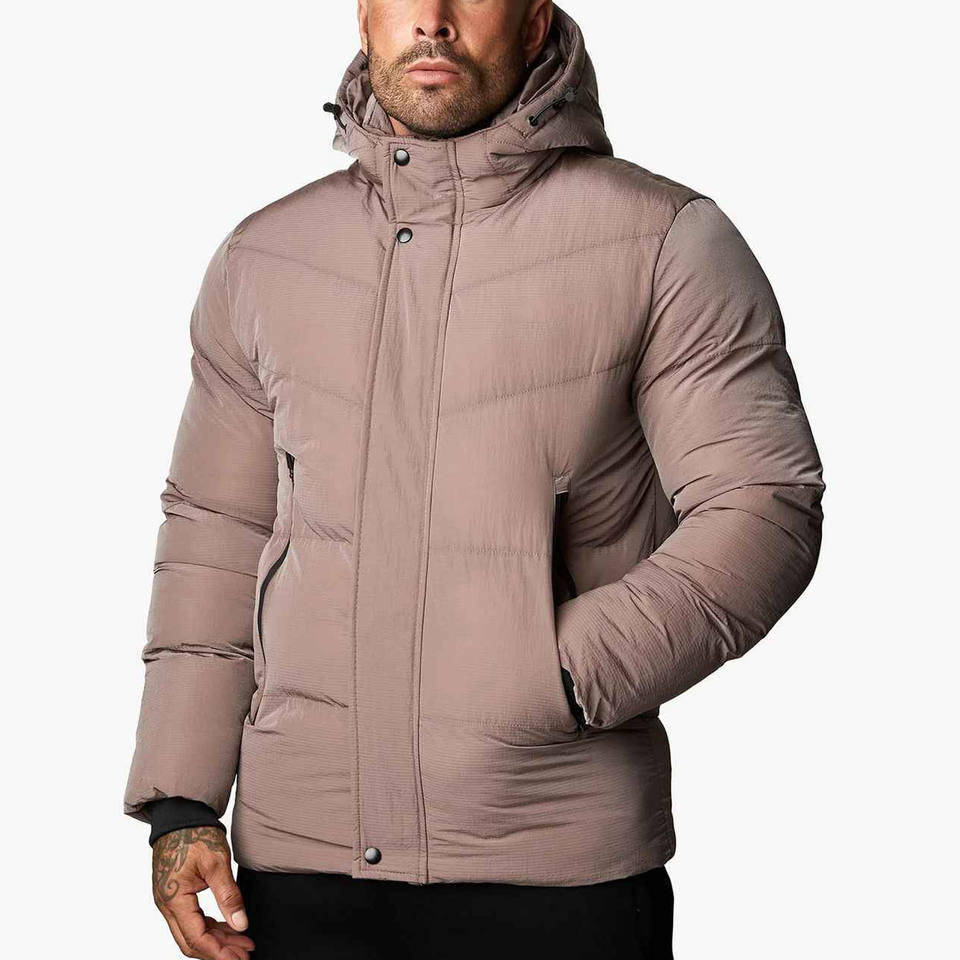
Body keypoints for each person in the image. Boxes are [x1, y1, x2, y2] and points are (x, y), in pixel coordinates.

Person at [123, 2, 826, 958]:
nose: (435, 21)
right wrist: (182, 803)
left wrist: (558, 679)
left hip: (556, 868)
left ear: (535, 22)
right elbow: (217, 528)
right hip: (300, 868)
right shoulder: (265, 258)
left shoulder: (665, 240)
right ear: (364, 15)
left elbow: (763, 507)